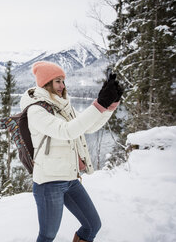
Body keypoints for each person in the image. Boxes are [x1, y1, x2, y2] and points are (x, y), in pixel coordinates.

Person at [20, 61, 123, 242]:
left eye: (63, 81)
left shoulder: (62, 106)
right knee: (47, 236)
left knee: (92, 225)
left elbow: (88, 127)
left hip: (70, 179)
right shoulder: (36, 110)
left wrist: (109, 106)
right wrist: (99, 104)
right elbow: (67, 131)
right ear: (46, 83)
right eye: (57, 81)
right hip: (48, 183)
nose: (62, 86)